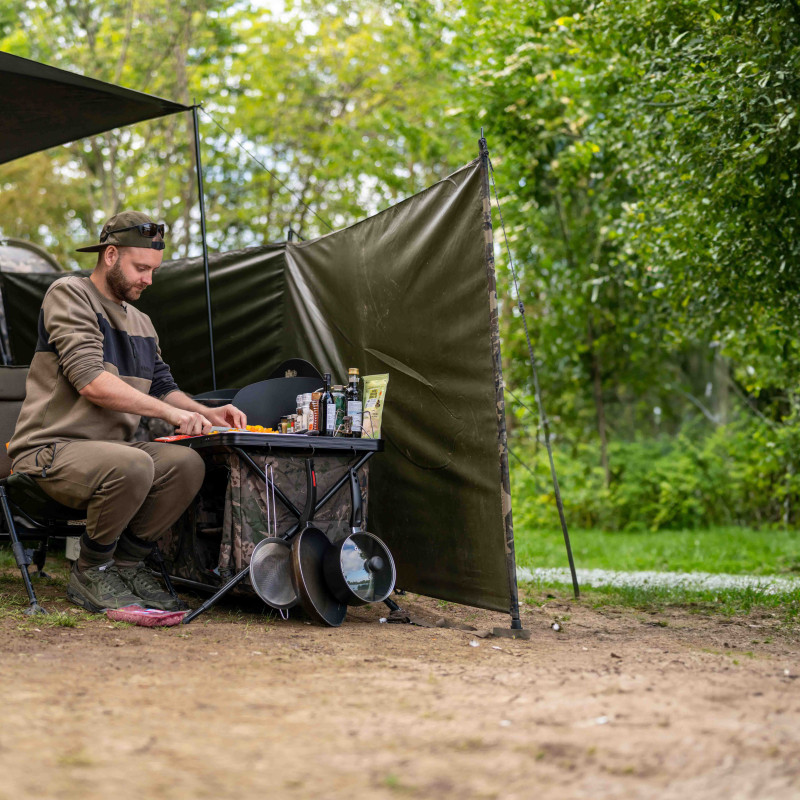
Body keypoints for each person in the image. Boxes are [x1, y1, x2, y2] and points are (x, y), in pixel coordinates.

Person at [7, 211, 247, 612]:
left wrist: (208, 412)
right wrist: (171, 417)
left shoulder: (142, 322)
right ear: (111, 255)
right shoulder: (69, 293)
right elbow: (92, 382)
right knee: (133, 463)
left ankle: (127, 564)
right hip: (50, 451)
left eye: (153, 270)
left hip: (112, 455)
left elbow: (162, 386)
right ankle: (91, 570)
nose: (148, 280)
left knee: (187, 464)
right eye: (141, 268)